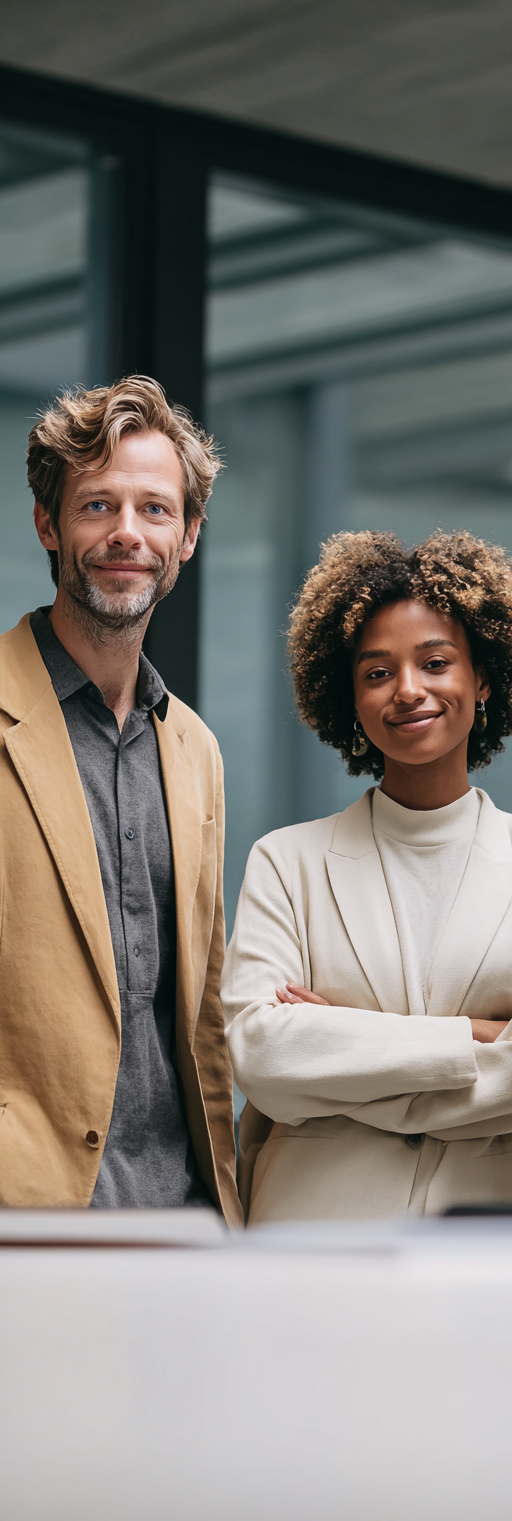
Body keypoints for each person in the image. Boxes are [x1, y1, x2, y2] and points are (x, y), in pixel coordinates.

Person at [222, 529, 512, 1223]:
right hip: (312, 1237)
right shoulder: (287, 862)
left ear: (484, 676)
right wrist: (476, 1034)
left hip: (483, 1237)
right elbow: (262, 1057)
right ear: (350, 693)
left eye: (436, 662)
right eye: (377, 672)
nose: (408, 691)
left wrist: (342, 1043)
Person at [0, 376, 241, 1222]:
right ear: (48, 525)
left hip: (177, 1213)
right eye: (98, 506)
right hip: (22, 1212)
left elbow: (201, 1015)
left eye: (155, 509)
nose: (126, 534)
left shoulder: (196, 750)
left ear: (189, 537)